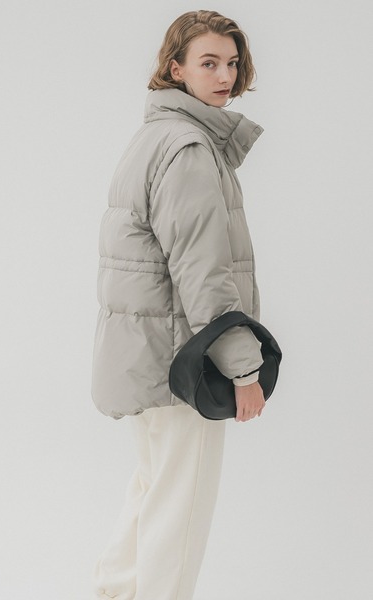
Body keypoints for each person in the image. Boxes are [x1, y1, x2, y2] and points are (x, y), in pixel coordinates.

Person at [90, 9, 267, 600]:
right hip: (181, 365)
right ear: (176, 69)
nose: (225, 76)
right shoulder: (188, 148)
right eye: (208, 63)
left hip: (149, 357)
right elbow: (204, 273)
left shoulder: (155, 137)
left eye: (232, 63)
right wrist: (243, 369)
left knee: (152, 491)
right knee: (180, 514)